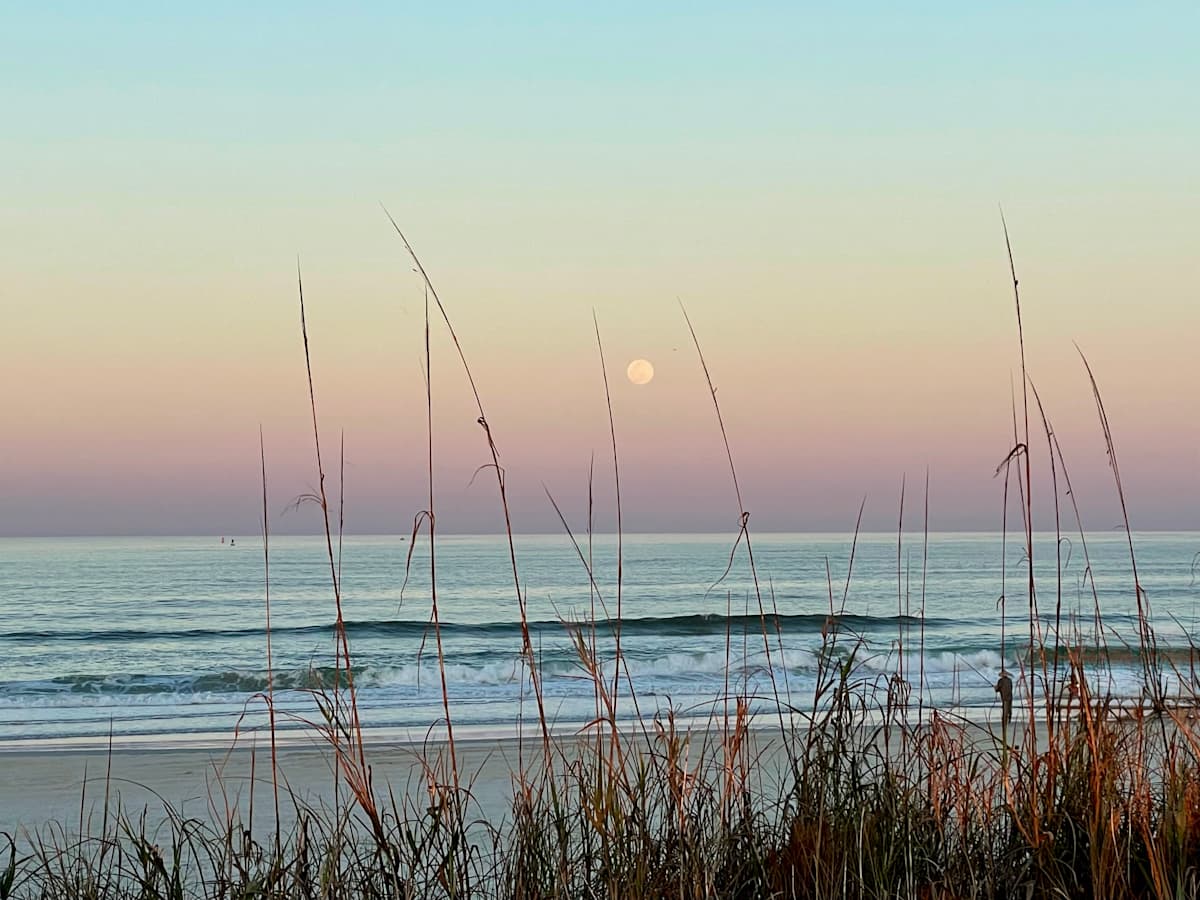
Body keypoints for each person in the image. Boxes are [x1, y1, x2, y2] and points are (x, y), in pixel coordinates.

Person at [995, 669, 1013, 737]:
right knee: (1009, 708)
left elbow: (997, 689)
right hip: (1010, 696)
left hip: (1005, 697)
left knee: (1005, 709)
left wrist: (995, 688)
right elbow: (1011, 688)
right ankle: (1009, 718)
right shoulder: (1009, 680)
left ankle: (1005, 721)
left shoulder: (1000, 681)